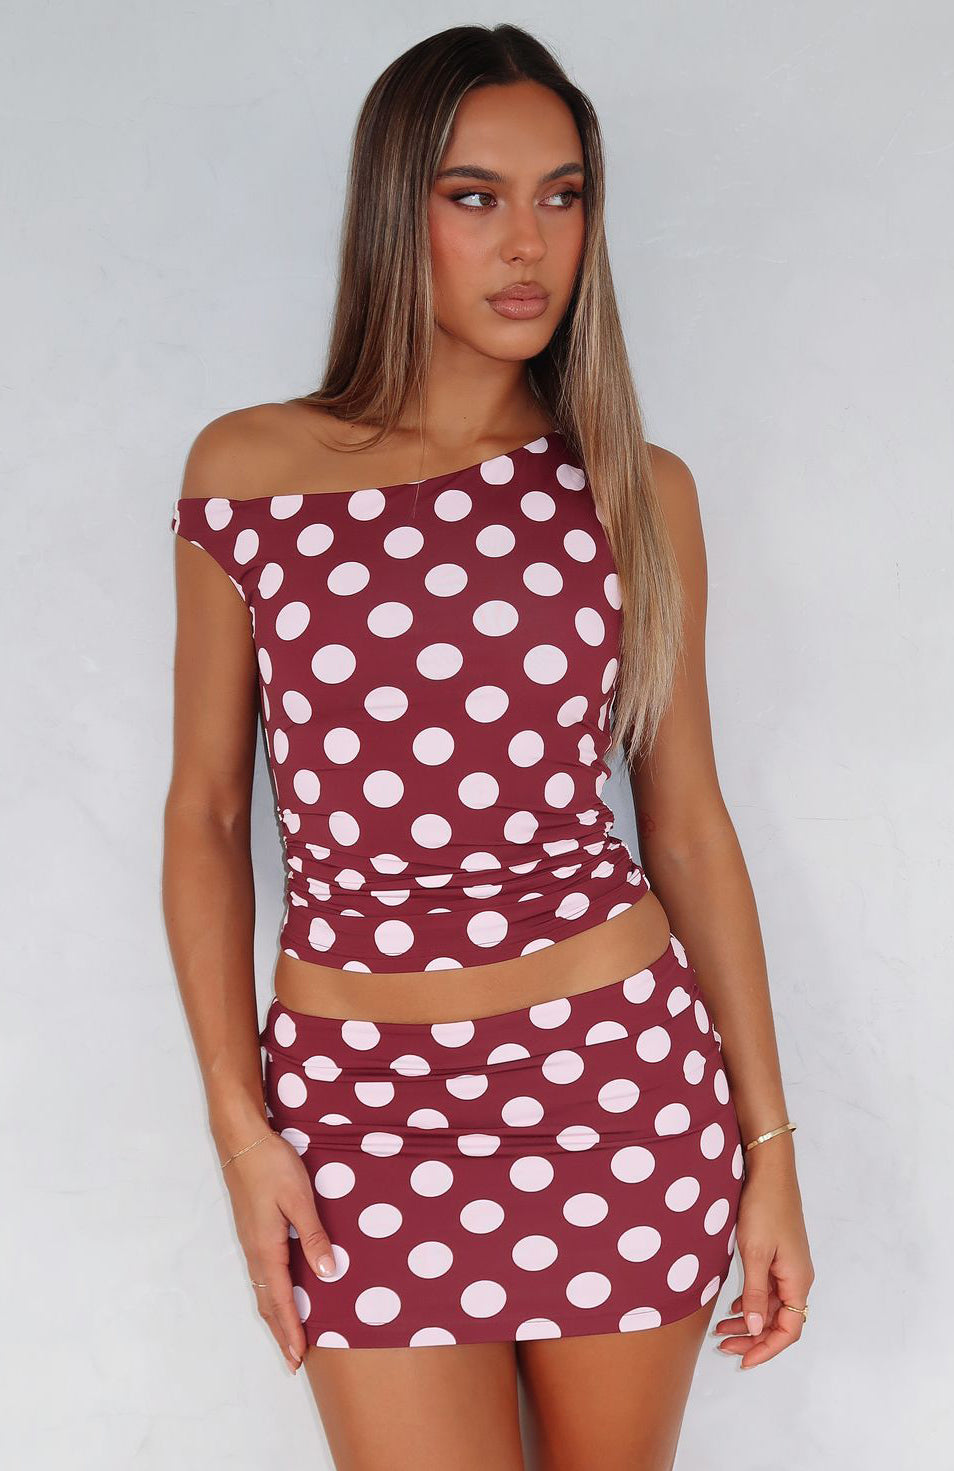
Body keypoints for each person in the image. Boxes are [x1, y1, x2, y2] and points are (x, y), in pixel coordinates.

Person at [162, 22, 813, 1470]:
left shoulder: (634, 490)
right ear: (395, 213)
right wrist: (241, 1128)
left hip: (616, 1088)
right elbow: (205, 815)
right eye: (476, 197)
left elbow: (685, 823)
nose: (529, 244)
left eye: (562, 196)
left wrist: (770, 1154)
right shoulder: (248, 472)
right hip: (356, 1113)